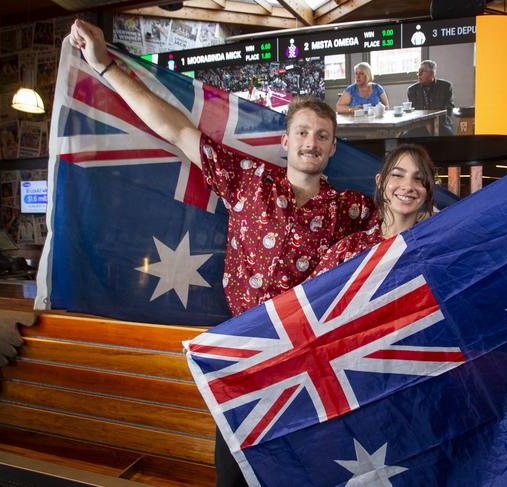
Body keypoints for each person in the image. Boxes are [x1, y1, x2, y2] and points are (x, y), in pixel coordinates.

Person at [69, 19, 376, 487]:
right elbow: (174, 128)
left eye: (321, 136)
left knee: (302, 468)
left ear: (333, 147)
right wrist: (103, 65)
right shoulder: (248, 181)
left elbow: (404, 221)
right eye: (303, 133)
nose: (310, 142)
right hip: (243, 347)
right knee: (232, 475)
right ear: (285, 140)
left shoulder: (349, 208)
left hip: (306, 355)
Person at [312, 144, 435, 276]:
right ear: (380, 181)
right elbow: (311, 294)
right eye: (397, 175)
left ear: (428, 189)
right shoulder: (350, 248)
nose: (408, 186)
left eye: (419, 178)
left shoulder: (436, 250)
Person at [407, 60, 455, 135]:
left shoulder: (446, 86)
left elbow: (448, 109)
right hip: (419, 125)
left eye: (423, 71)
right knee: (406, 136)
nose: (419, 74)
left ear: (432, 74)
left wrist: (434, 123)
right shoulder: (412, 90)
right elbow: (413, 112)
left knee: (447, 134)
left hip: (441, 123)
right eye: (418, 71)